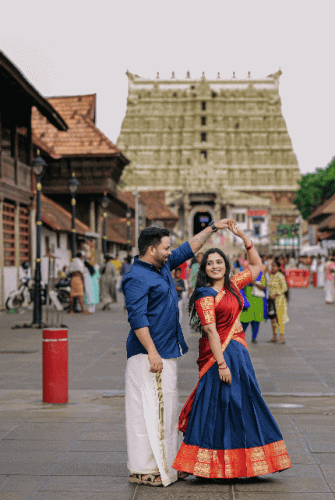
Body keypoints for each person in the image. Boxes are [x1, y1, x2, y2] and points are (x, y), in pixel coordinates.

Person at [172, 222, 291, 479]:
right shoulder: (205, 294)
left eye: (219, 262)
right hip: (218, 357)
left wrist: (244, 237)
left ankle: (249, 462)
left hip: (239, 353)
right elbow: (211, 331)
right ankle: (195, 463)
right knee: (213, 403)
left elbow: (257, 267)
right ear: (204, 269)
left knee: (244, 402)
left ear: (226, 266)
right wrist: (222, 364)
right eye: (210, 263)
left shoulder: (234, 286)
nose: (215, 266)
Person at [122, 219, 236, 487]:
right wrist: (152, 352)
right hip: (150, 355)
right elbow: (137, 319)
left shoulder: (160, 268)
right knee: (152, 411)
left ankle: (164, 464)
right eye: (165, 248)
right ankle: (146, 469)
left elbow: (188, 248)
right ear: (152, 250)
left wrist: (214, 227)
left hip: (166, 351)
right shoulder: (136, 277)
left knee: (164, 410)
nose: (170, 251)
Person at [240, 270, 267, 343]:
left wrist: (255, 283)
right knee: (244, 321)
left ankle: (254, 338)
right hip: (247, 302)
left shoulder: (261, 275)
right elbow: (240, 286)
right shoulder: (245, 274)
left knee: (256, 322)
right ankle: (240, 337)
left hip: (258, 303)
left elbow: (263, 287)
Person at [268, 258, 289, 343]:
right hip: (272, 300)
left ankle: (282, 336)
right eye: (272, 266)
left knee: (279, 318)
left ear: (279, 267)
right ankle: (274, 336)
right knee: (273, 318)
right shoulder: (272, 276)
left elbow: (285, 288)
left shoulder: (280, 276)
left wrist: (276, 294)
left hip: (279, 300)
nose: (273, 268)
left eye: (275, 266)